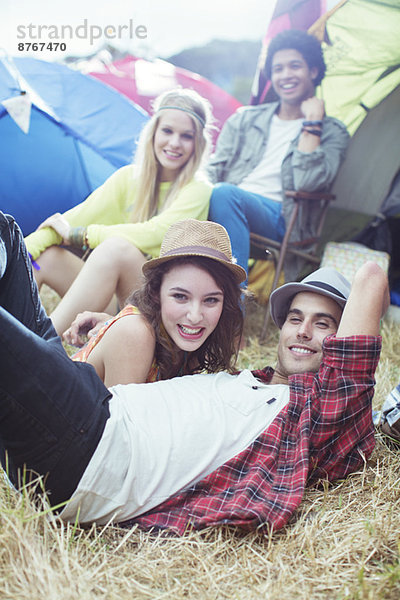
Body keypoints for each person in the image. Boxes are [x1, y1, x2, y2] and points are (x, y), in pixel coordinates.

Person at [0, 210, 389, 534]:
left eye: (323, 324)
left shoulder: (317, 411)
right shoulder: (247, 379)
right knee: (9, 237)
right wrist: (115, 327)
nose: (302, 331)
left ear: (343, 345)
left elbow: (371, 277)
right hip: (86, 409)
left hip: (92, 446)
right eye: (294, 318)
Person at [25, 88, 213, 336]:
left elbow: (156, 233)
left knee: (117, 249)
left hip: (160, 305)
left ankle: (41, 344)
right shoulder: (128, 178)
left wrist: (81, 235)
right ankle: (12, 336)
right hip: (118, 300)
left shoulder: (199, 188)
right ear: (153, 132)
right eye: (167, 131)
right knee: (44, 258)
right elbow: (62, 225)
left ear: (198, 143)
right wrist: (17, 253)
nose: (175, 143)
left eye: (186, 136)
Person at [207, 29, 350, 280]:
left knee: (224, 194)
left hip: (284, 220)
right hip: (227, 200)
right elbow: (215, 166)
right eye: (278, 69)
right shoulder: (246, 119)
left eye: (294, 66)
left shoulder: (332, 132)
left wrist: (312, 124)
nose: (285, 75)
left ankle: (233, 301)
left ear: (313, 71)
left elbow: (308, 183)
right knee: (199, 192)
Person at [64, 219, 246, 387]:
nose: (195, 316)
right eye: (181, 297)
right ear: (156, 292)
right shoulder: (135, 332)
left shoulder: (188, 340)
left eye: (211, 300)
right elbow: (121, 421)